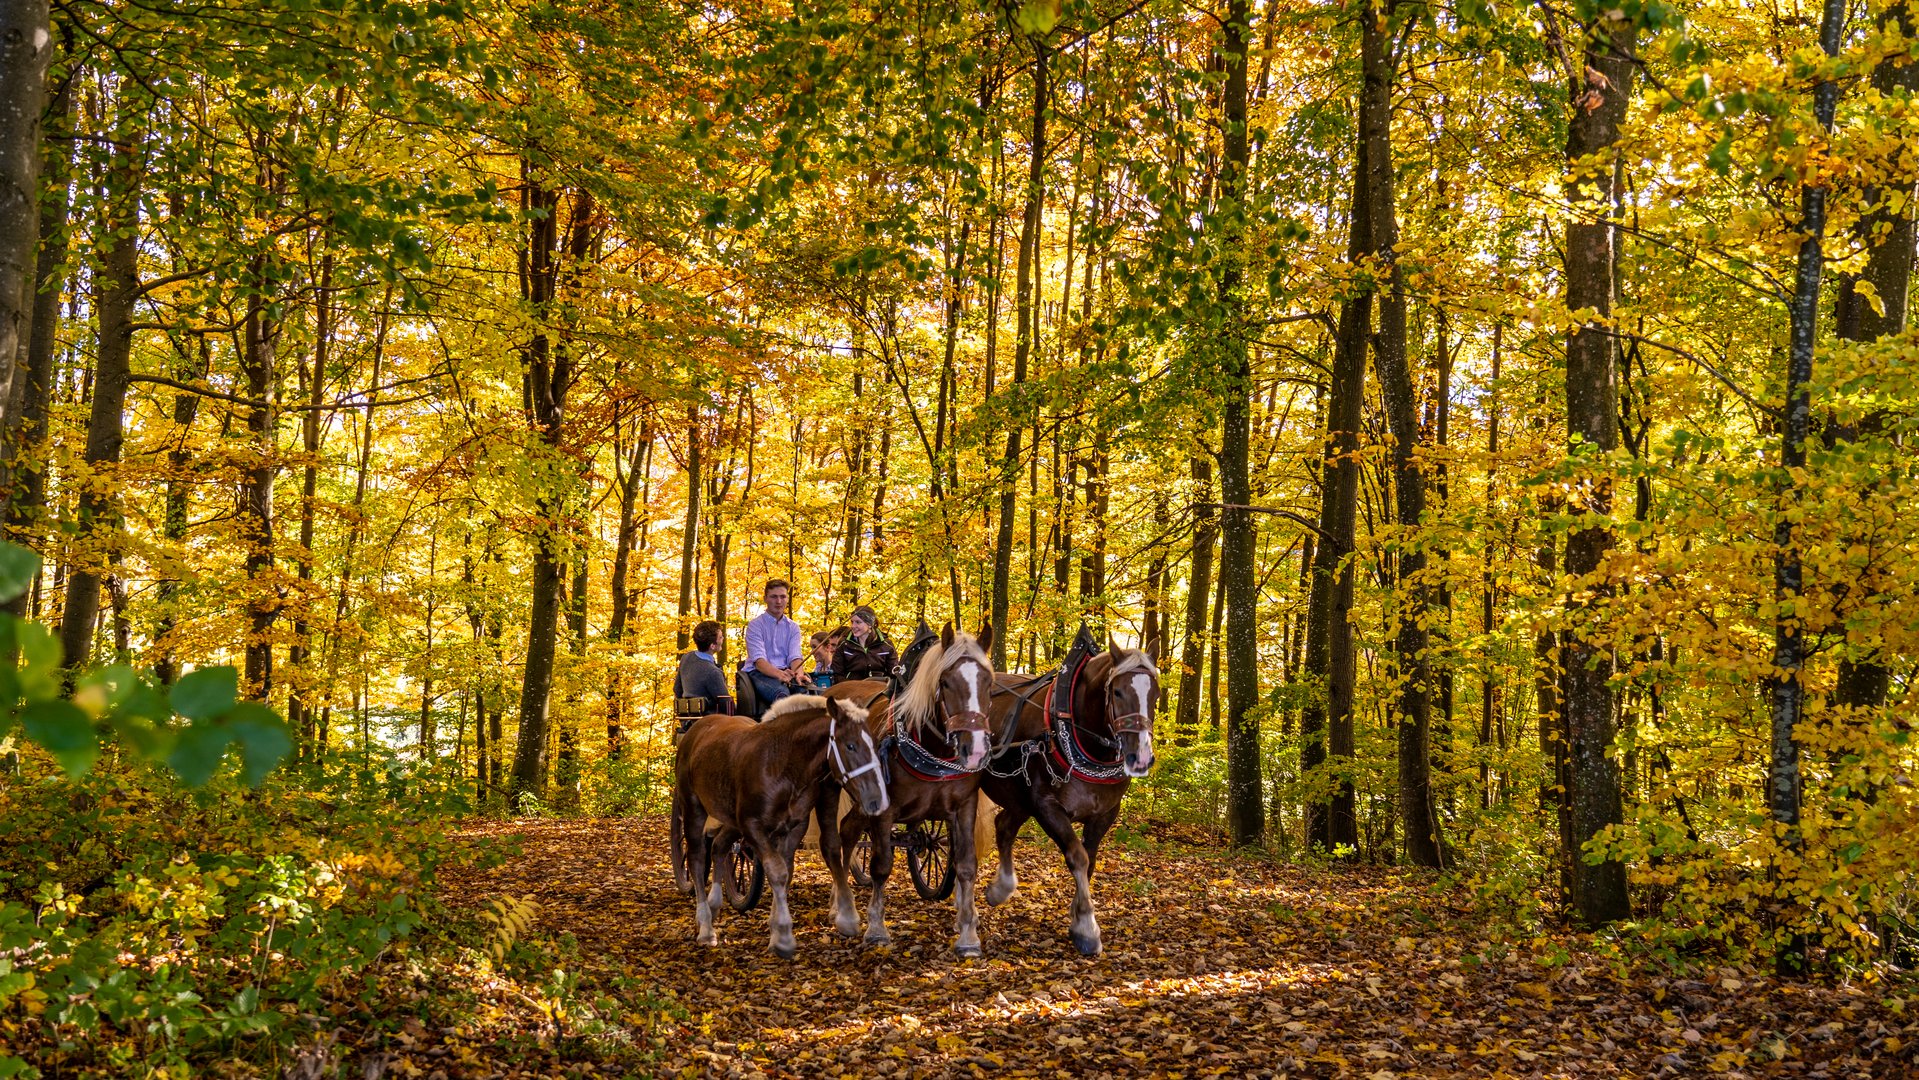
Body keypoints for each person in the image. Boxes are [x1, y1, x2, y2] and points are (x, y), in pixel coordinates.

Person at [742, 578, 810, 707]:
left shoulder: (793, 627)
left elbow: (795, 656)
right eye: (774, 597)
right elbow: (759, 661)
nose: (779, 601)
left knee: (805, 692)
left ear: (787, 599)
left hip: (786, 671)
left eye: (782, 597)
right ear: (765, 598)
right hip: (760, 673)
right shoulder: (755, 625)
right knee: (781, 694)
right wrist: (780, 674)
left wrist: (799, 674)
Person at [674, 620, 733, 729]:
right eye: (720, 637)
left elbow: (677, 689)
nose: (723, 639)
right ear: (712, 646)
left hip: (688, 722)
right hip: (711, 724)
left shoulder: (686, 658)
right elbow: (726, 705)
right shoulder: (713, 672)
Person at [832, 605, 897, 682]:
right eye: (852, 622)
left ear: (869, 624)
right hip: (850, 688)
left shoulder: (886, 645)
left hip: (879, 688)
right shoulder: (844, 644)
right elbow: (836, 673)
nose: (853, 626)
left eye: (858, 622)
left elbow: (894, 673)